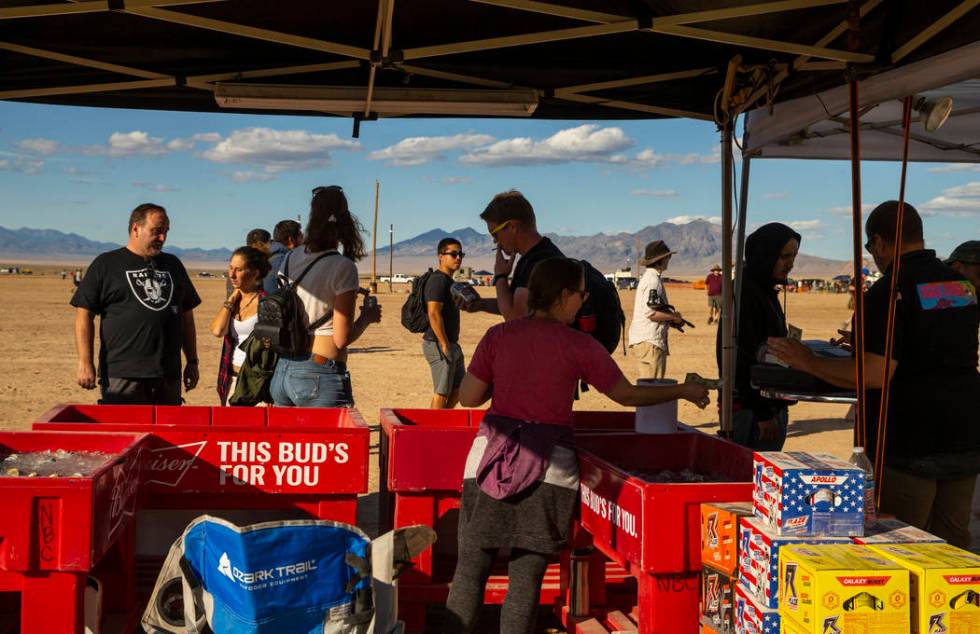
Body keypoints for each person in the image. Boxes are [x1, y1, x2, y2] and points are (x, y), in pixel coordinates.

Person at [443, 257, 709, 634]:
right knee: (525, 582)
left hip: (488, 464)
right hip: (549, 470)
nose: (583, 302)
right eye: (581, 294)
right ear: (565, 295)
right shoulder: (579, 346)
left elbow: (469, 398)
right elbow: (625, 394)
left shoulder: (498, 337)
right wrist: (682, 389)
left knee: (469, 572)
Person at [769, 202, 979, 548]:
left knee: (904, 542)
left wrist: (807, 360)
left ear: (880, 242)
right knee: (954, 547)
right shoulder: (959, 285)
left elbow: (875, 373)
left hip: (912, 441)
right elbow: (934, 339)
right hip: (965, 433)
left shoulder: (887, 291)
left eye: (871, 248)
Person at [71, 203, 201, 405]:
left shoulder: (173, 264)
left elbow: (186, 317)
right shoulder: (106, 264)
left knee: (167, 434)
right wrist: (85, 362)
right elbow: (83, 315)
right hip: (123, 374)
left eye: (165, 232)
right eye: (156, 232)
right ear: (135, 229)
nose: (162, 238)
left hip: (167, 375)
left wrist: (192, 361)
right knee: (125, 432)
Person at [269, 186, 382, 408]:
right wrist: (366, 317)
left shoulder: (291, 257)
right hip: (320, 373)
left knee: (290, 444)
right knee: (333, 443)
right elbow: (341, 338)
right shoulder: (343, 267)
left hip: (283, 371)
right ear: (345, 222)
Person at [719, 222, 800, 451]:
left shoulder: (765, 289)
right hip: (751, 412)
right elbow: (742, 358)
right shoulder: (745, 293)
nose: (791, 263)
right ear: (765, 255)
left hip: (767, 406)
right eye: (785, 256)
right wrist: (763, 414)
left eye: (793, 256)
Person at [464, 190, 564, 321]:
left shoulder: (538, 263)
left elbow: (515, 318)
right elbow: (514, 305)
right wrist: (481, 304)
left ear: (512, 227)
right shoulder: (537, 256)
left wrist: (500, 276)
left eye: (495, 234)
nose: (495, 241)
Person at [211, 246, 270, 405]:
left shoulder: (267, 304)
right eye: (230, 268)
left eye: (239, 269)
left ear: (255, 273)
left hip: (257, 384)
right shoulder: (233, 302)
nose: (231, 274)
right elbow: (217, 330)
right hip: (231, 379)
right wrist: (231, 300)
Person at [628, 240, 684, 379]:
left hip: (645, 340)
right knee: (653, 390)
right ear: (661, 260)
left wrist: (670, 319)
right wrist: (673, 317)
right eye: (667, 257)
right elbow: (651, 313)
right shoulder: (653, 281)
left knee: (648, 387)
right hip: (650, 341)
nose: (668, 260)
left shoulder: (649, 278)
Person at [422, 237, 466, 408]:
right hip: (438, 342)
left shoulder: (450, 282)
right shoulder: (437, 280)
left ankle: (440, 421)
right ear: (441, 256)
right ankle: (432, 432)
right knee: (442, 391)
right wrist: (444, 343)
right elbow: (433, 313)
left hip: (451, 342)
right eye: (453, 254)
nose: (458, 258)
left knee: (460, 388)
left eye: (461, 254)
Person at [264, 219, 304, 295]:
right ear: (291, 241)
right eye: (301, 237)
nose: (303, 242)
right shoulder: (286, 261)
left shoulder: (268, 258)